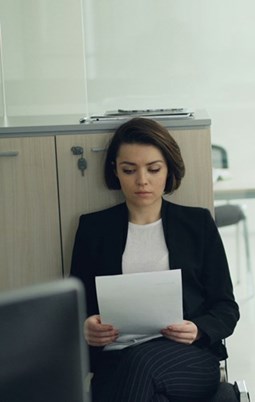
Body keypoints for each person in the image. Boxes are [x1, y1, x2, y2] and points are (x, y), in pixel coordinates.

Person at [70, 117, 239, 402]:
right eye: (129, 170)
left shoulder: (197, 224)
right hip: (115, 361)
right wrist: (86, 328)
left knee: (141, 364)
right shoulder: (93, 229)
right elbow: (75, 309)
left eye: (153, 169)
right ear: (116, 172)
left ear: (168, 170)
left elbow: (226, 308)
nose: (142, 180)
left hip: (188, 358)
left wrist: (198, 330)